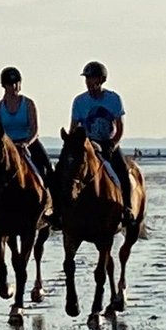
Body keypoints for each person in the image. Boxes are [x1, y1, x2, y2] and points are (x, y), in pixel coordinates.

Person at [0, 65, 57, 222]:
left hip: (28, 143)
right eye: (10, 84)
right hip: (6, 147)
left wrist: (26, 143)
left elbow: (35, 129)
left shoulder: (28, 104)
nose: (14, 87)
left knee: (47, 167)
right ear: (4, 86)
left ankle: (53, 208)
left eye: (17, 83)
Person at [70, 61, 135, 225]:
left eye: (92, 78)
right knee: (67, 172)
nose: (88, 82)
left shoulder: (113, 99)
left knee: (122, 171)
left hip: (108, 143)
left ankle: (127, 207)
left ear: (101, 80)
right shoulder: (79, 102)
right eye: (87, 79)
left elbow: (120, 128)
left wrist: (113, 143)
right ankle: (61, 210)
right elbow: (73, 128)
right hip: (87, 145)